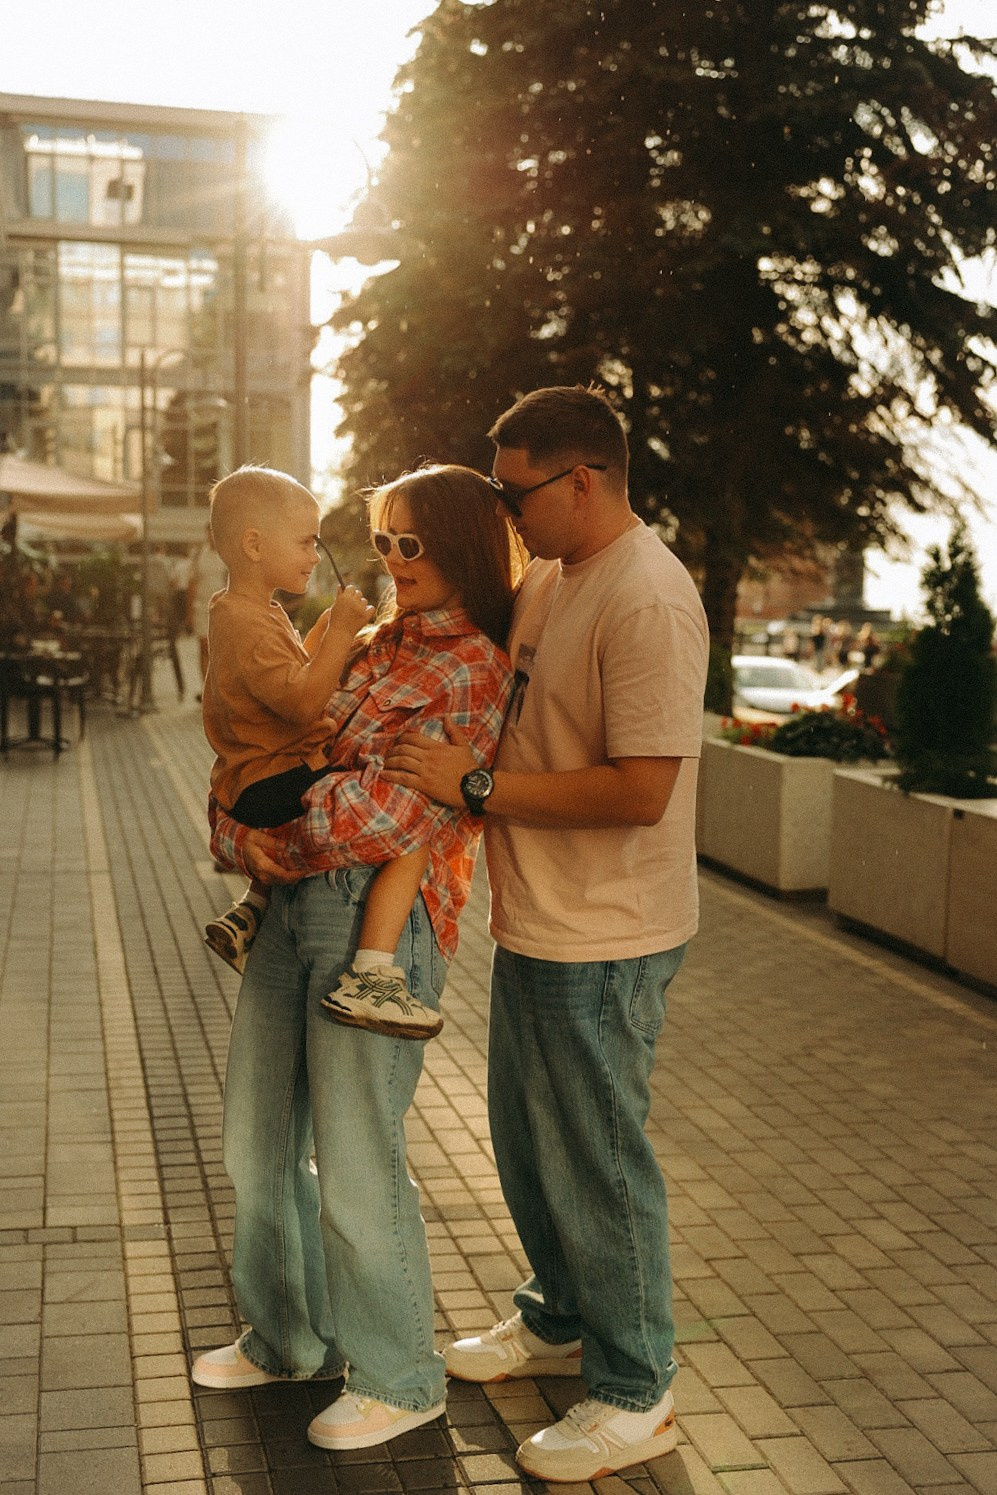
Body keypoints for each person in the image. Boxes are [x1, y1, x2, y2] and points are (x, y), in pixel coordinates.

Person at [383, 386, 709, 1483]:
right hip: (539, 918)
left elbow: (641, 791)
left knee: (599, 1159)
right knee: (529, 1142)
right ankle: (561, 1317)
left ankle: (636, 1390)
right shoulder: (554, 576)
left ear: (581, 480)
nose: (503, 511)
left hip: (609, 933)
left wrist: (475, 785)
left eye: (514, 491)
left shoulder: (646, 597)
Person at [190, 464, 525, 1452]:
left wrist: (268, 829)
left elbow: (392, 814)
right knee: (256, 1143)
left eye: (409, 542)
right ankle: (289, 1339)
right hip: (298, 904)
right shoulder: (372, 644)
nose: (389, 558)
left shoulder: (473, 666)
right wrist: (242, 829)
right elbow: (264, 762)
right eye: (382, 540)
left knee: (353, 1156)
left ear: (460, 548)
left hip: (377, 922)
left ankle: (399, 1375)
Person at [187, 526, 229, 695]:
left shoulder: (227, 555)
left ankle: (219, 688)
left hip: (222, 609)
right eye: (209, 531)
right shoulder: (199, 555)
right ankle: (207, 689)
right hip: (201, 607)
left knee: (219, 649)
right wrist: (189, 612)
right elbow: (192, 584)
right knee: (204, 647)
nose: (212, 535)